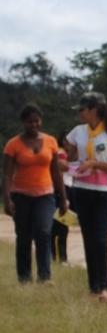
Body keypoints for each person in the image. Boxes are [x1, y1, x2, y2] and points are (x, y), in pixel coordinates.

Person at [65, 92, 107, 302]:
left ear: (93, 110)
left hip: (104, 192)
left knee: (100, 238)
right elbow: (68, 157)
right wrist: (65, 161)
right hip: (81, 189)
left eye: (82, 110)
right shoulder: (77, 132)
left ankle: (104, 286)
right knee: (88, 238)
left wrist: (95, 164)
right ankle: (93, 286)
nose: (79, 114)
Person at [2, 103, 68, 283]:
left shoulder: (51, 142)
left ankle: (45, 276)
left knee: (44, 231)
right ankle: (24, 277)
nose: (34, 125)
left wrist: (63, 199)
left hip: (45, 195)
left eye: (37, 121)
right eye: (30, 122)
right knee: (23, 236)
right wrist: (7, 200)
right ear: (23, 122)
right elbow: (6, 175)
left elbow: (56, 172)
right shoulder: (12, 145)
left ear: (41, 121)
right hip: (21, 195)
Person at [51, 130, 72, 263]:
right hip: (61, 189)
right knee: (60, 225)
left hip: (66, 189)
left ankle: (59, 256)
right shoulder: (61, 153)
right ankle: (58, 257)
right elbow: (62, 168)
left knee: (62, 224)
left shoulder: (67, 154)